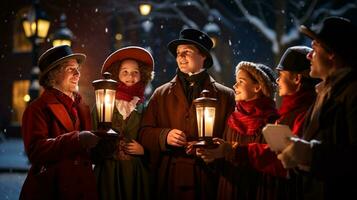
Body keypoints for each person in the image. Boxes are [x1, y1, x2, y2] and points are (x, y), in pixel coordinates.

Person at [139, 28, 235, 200]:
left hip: (207, 178)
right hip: (169, 179)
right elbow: (144, 132)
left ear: (203, 56)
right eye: (178, 53)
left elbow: (231, 139)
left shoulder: (225, 96)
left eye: (187, 52)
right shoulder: (160, 94)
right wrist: (164, 136)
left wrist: (214, 150)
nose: (180, 57)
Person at [277, 16, 357, 199]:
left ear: (331, 54)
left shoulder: (352, 93)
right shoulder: (323, 92)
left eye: (314, 48)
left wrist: (310, 154)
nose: (308, 55)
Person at [20, 45, 99, 200]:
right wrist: (77, 139)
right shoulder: (37, 108)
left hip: (83, 190)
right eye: (70, 69)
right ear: (53, 75)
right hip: (52, 190)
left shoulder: (82, 108)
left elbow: (87, 154)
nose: (77, 73)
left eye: (78, 68)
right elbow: (36, 151)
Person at [197, 61, 279, 199]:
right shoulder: (232, 120)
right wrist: (211, 156)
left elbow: (271, 163)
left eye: (241, 81)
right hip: (230, 188)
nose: (235, 86)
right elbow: (223, 159)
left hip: (258, 189)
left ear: (258, 86)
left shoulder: (272, 121)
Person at [92, 46, 154, 200]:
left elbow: (151, 136)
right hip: (108, 170)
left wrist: (144, 150)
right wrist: (103, 147)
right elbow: (91, 137)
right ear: (117, 74)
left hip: (135, 173)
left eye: (135, 72)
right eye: (125, 72)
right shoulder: (102, 103)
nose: (130, 76)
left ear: (142, 75)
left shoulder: (145, 108)